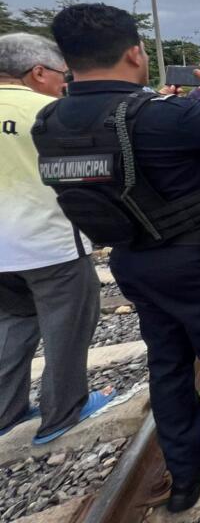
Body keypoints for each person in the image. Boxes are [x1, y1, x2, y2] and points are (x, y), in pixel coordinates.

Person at [35, 4, 200, 511]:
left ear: (67, 60)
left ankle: (186, 470)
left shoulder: (51, 121)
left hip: (131, 260)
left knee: (168, 363)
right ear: (135, 54)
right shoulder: (161, 114)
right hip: (198, 261)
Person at [0, 33, 112, 447]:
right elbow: (93, 171)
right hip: (49, 243)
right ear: (37, 72)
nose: (65, 84)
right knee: (67, 327)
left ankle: (6, 410)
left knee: (12, 325)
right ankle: (62, 412)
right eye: (62, 75)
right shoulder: (50, 112)